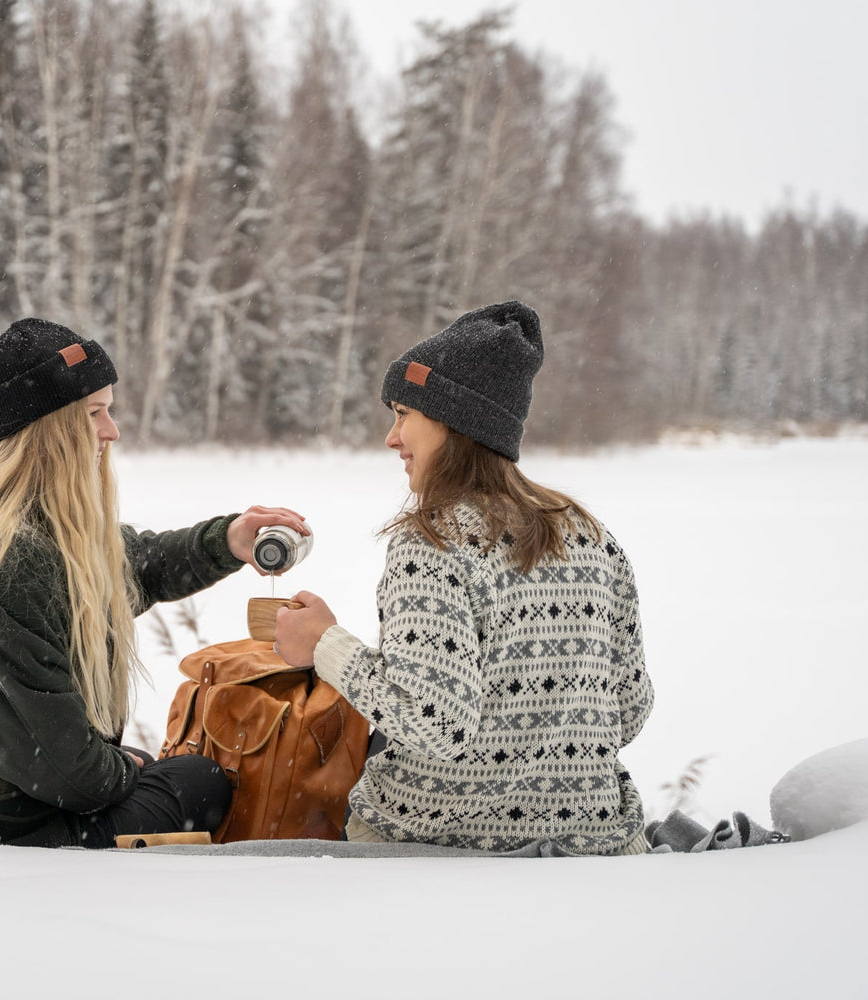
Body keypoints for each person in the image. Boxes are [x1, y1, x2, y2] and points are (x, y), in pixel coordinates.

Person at [0, 318, 307, 847]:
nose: (111, 430)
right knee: (198, 782)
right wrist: (132, 769)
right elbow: (67, 775)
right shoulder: (8, 561)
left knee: (172, 771)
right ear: (51, 428)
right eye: (95, 413)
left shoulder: (38, 528)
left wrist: (225, 539)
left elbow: (135, 565)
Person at [273, 301, 654, 855]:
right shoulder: (589, 535)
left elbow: (433, 725)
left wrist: (324, 645)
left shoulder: (432, 542)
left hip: (440, 846)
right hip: (594, 845)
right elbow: (628, 711)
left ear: (453, 422)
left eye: (404, 413)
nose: (391, 437)